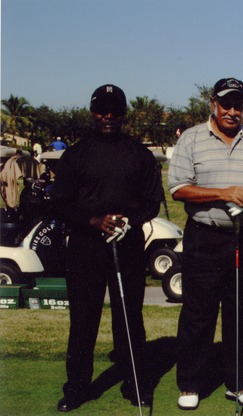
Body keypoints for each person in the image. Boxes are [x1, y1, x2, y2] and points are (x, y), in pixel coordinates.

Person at [51, 84, 164, 412]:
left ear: (123, 113)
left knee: (129, 319)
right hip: (86, 247)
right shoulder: (76, 154)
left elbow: (152, 202)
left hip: (127, 245)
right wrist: (93, 221)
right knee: (83, 319)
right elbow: (60, 205)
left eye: (115, 110)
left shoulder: (139, 154)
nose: (108, 116)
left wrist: (131, 221)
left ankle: (135, 385)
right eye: (102, 109)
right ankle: (77, 389)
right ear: (93, 112)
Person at [168, 78, 243, 410]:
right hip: (205, 237)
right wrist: (223, 193)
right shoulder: (192, 138)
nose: (232, 111)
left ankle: (240, 382)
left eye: (238, 105)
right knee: (198, 314)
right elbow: (178, 188)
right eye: (226, 104)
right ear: (213, 104)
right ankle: (191, 383)